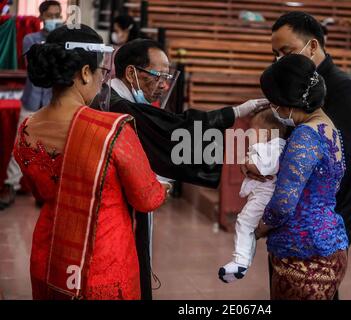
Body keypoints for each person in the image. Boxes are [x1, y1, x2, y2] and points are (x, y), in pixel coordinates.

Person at [13, 24, 169, 300]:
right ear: (85, 73)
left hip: (51, 255)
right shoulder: (112, 129)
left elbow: (41, 192)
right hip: (101, 262)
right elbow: (147, 199)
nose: (102, 79)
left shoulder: (27, 128)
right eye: (101, 72)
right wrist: (164, 188)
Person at [109, 38, 268, 299]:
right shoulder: (119, 107)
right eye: (158, 76)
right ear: (131, 73)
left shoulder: (123, 102)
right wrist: (235, 113)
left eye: (166, 77)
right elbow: (176, 130)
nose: (163, 84)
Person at [266, 11, 351, 300]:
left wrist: (298, 215)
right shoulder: (291, 81)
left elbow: (343, 164)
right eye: (276, 54)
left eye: (286, 51)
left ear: (312, 46)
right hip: (290, 221)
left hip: (319, 227)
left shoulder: (344, 90)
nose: (280, 60)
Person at [255, 54, 348, 300]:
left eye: (273, 101)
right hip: (330, 242)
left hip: (303, 253)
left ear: (287, 103)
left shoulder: (304, 136)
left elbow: (283, 204)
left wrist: (257, 229)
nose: (272, 108)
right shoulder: (329, 127)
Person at [0, 0, 62, 210]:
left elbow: (62, 70)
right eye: (50, 15)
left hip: (55, 101)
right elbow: (37, 68)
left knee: (52, 148)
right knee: (21, 142)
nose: (54, 19)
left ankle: (44, 190)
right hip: (32, 99)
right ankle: (10, 185)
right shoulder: (30, 39)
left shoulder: (63, 41)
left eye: (57, 15)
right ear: (42, 17)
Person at [219, 109, 287, 283]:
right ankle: (243, 260)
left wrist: (248, 163)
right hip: (262, 194)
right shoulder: (272, 146)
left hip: (265, 196)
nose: (249, 134)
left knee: (244, 222)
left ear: (268, 132)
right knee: (247, 225)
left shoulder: (273, 147)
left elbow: (266, 169)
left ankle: (240, 262)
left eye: (253, 130)